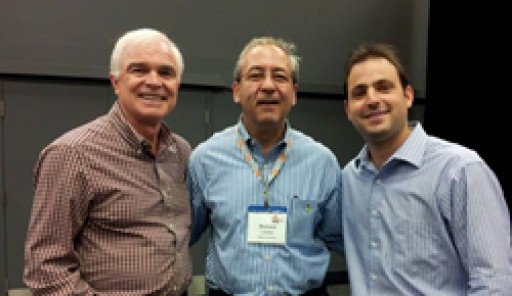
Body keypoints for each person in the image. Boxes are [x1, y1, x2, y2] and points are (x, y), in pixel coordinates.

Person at [24, 28, 192, 295]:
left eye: (166, 73)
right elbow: (46, 267)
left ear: (177, 85)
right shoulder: (73, 154)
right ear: (115, 82)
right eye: (138, 70)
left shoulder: (180, 152)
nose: (154, 81)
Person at [342, 42, 512, 295]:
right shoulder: (349, 179)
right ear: (348, 110)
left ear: (408, 96)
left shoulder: (460, 170)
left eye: (383, 87)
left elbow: (492, 282)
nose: (372, 99)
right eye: (359, 93)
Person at [187, 37, 343, 295]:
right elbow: (184, 236)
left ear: (294, 93)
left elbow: (339, 237)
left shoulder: (322, 163)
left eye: (280, 77)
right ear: (237, 91)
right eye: (256, 75)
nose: (268, 86)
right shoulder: (205, 159)